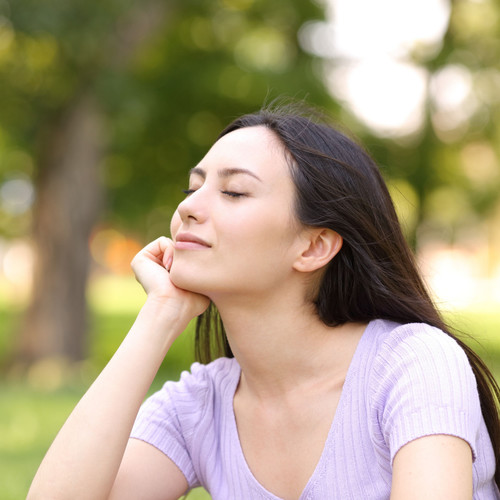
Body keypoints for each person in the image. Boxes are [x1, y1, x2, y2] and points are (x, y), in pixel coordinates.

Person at [28, 103, 500, 500]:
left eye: (233, 191)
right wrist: (160, 314)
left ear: (313, 247)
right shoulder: (204, 404)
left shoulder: (412, 364)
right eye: (193, 188)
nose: (189, 207)